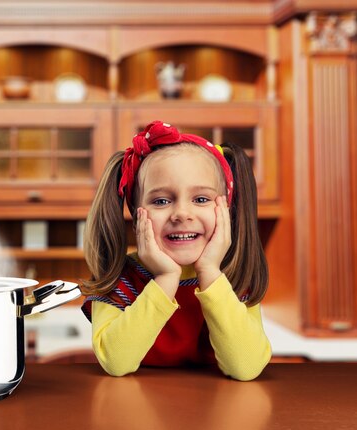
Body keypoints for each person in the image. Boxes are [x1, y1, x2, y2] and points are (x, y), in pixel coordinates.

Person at [81, 120, 271, 381]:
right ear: (137, 216)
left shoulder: (235, 276)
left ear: (226, 210)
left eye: (201, 199)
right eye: (161, 201)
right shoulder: (117, 278)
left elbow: (245, 367)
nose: (182, 214)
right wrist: (166, 278)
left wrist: (209, 272)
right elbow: (116, 362)